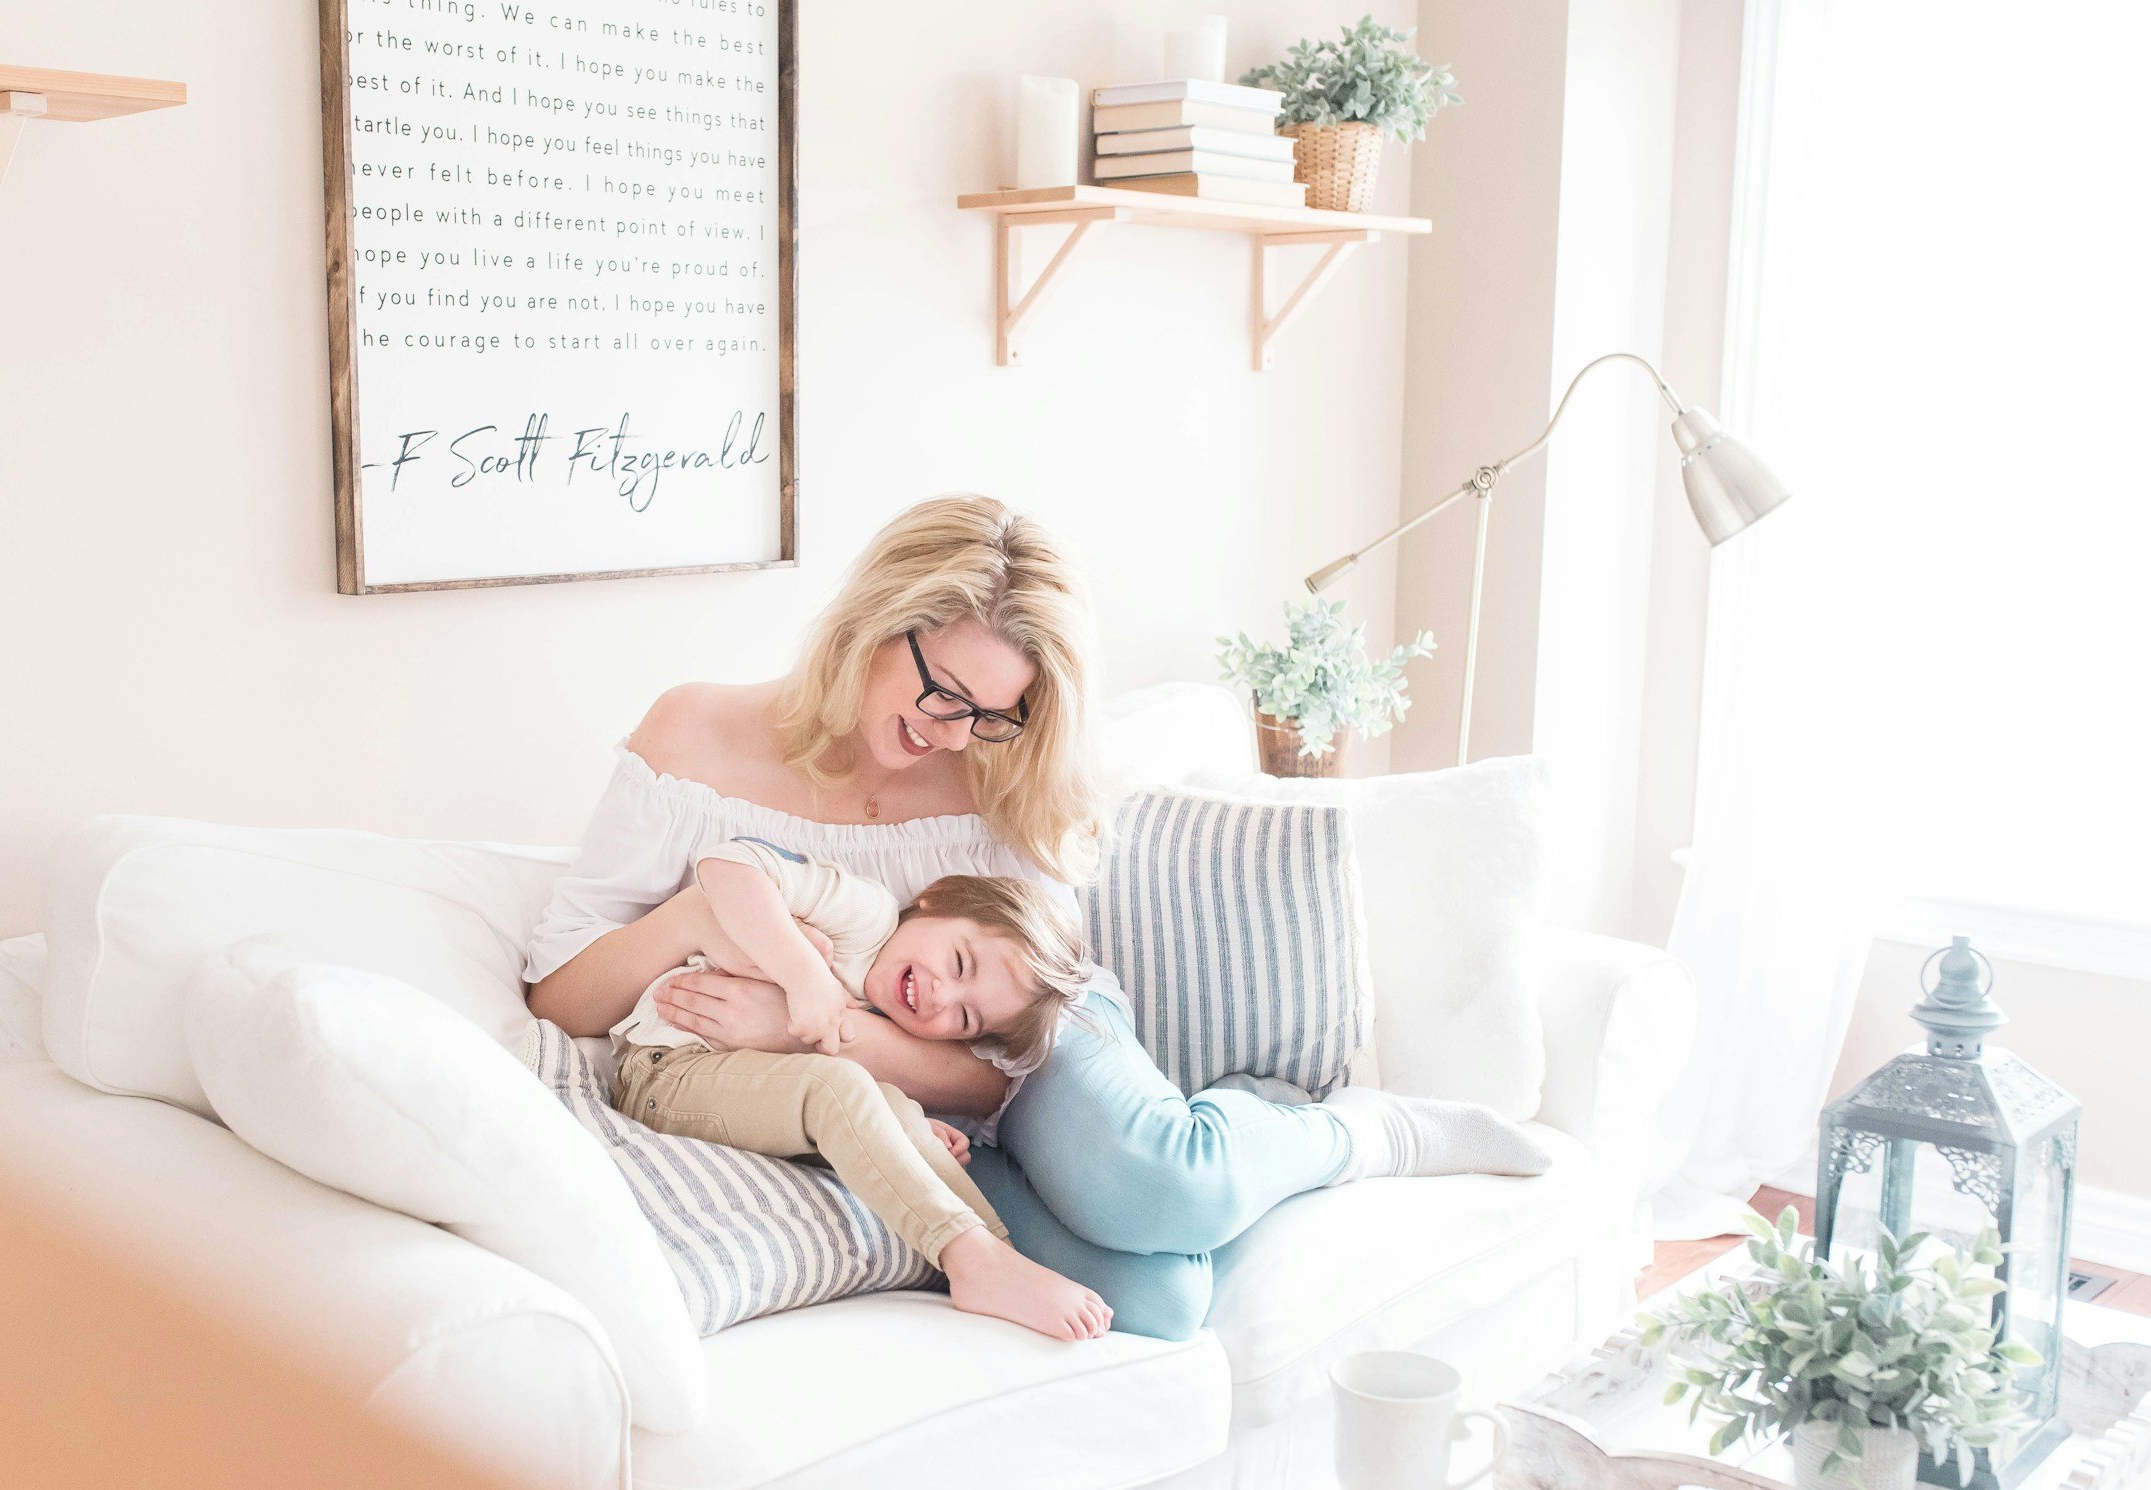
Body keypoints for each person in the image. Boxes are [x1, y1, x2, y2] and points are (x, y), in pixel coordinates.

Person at [525, 494, 1546, 1342]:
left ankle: (1353, 1135)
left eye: (988, 714)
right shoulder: (695, 736)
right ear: (874, 624)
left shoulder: (993, 770)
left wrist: (822, 1025)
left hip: (1021, 1018)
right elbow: (558, 994)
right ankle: (1207, 1143)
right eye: (941, 692)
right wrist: (706, 917)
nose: (948, 734)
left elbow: (995, 1059)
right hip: (879, 1086)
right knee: (1157, 1304)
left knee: (1163, 1188)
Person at [611, 835, 1109, 1340]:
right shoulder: (864, 917)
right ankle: (968, 1258)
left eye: (964, 1017)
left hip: (739, 1097)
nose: (942, 995)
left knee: (892, 1105)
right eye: (959, 963)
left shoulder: (888, 1018)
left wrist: (902, 1128)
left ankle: (991, 1255)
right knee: (841, 1085)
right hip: (666, 1071)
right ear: (937, 899)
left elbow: (804, 1093)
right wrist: (803, 974)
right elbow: (725, 864)